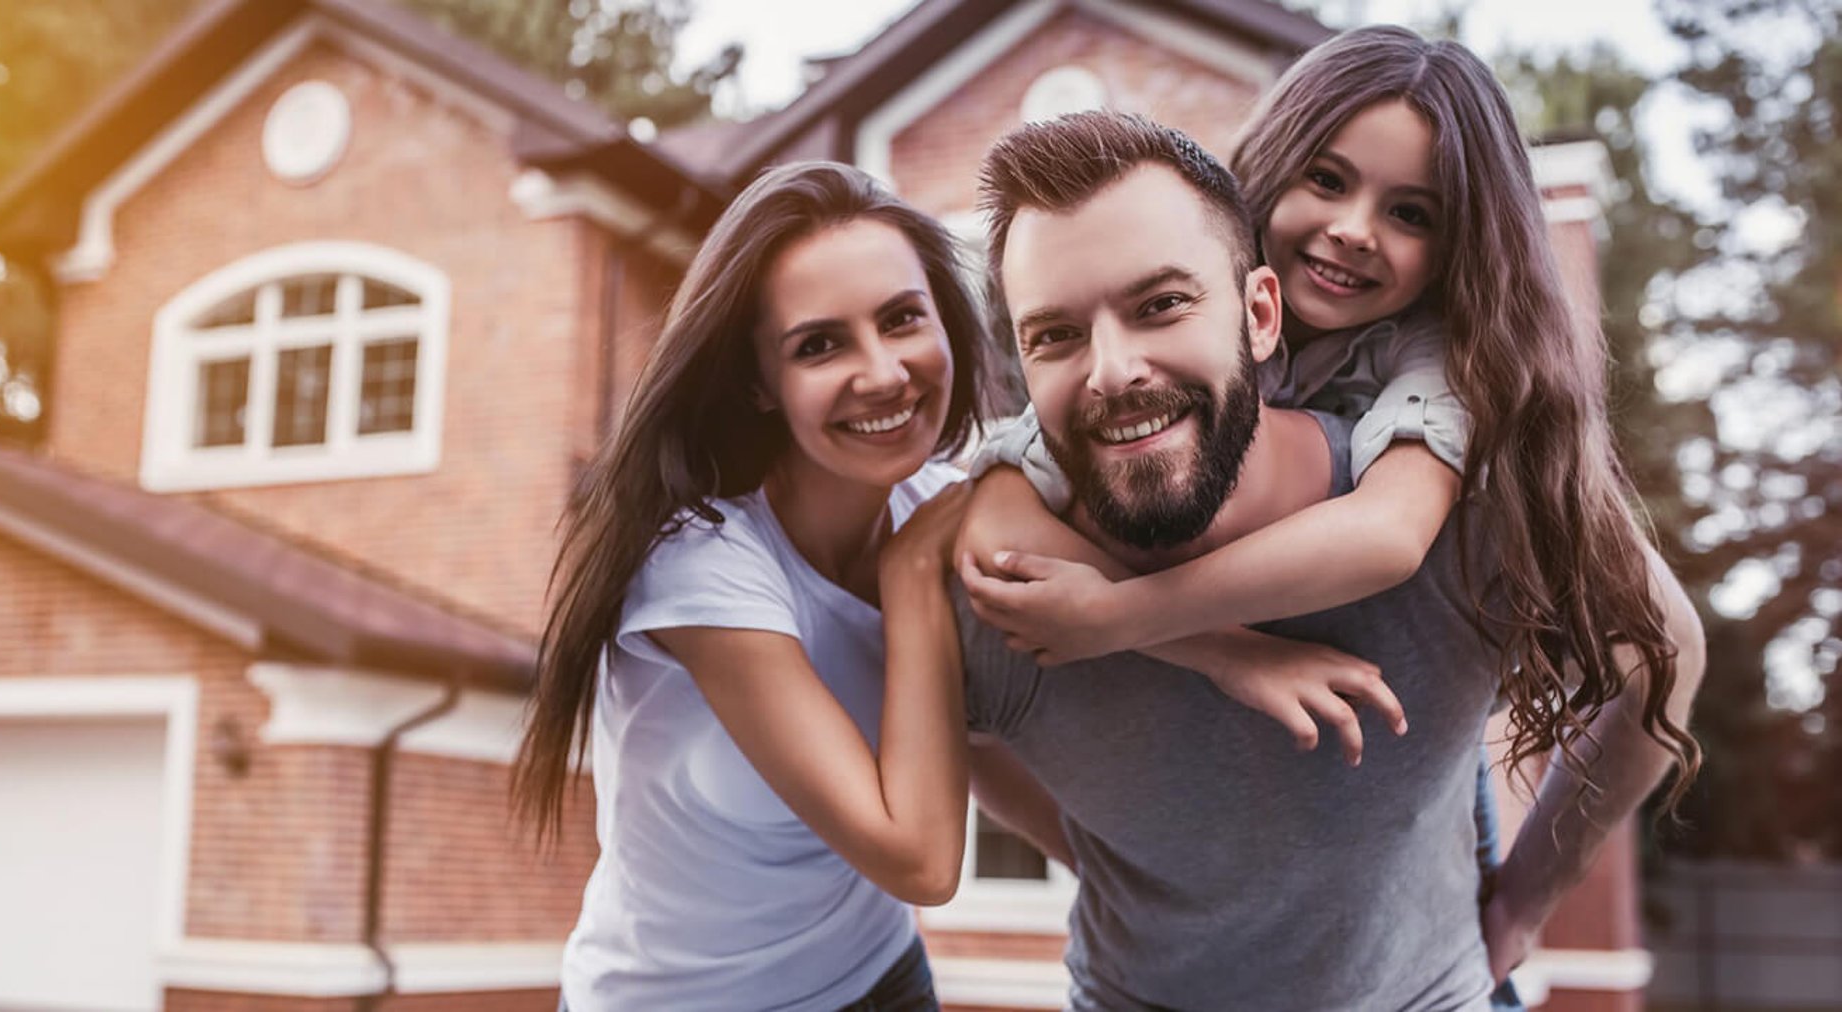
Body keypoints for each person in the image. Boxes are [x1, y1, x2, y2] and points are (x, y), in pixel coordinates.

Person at [961, 29, 1704, 1006]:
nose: (1355, 229)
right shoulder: (1150, 333)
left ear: (1460, 246)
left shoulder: (1456, 369)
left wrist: (1524, 903)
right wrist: (1127, 830)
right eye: (1327, 178)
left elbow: (1402, 538)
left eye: (1411, 212)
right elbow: (993, 517)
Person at [512, 161, 1002, 1010]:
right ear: (757, 383)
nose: (883, 373)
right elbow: (918, 858)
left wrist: (1232, 656)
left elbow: (1001, 728)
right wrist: (914, 576)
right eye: (820, 344)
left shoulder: (945, 504)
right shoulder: (699, 561)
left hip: (879, 982)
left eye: (901, 319)